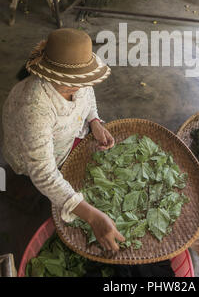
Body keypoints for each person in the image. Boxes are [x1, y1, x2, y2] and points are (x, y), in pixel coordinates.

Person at [1, 28, 125, 251]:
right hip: (31, 160)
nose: (81, 85)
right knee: (38, 187)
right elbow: (43, 172)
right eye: (73, 82)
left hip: (67, 137)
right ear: (51, 74)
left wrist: (94, 122)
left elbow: (87, 96)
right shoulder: (35, 107)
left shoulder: (78, 81)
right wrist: (93, 217)